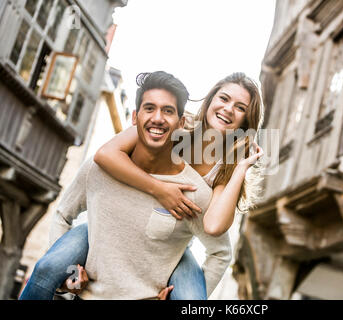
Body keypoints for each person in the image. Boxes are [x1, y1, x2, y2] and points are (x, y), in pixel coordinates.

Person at [20, 71, 264, 300]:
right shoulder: (176, 125)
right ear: (211, 99)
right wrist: (159, 189)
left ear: (246, 121)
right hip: (113, 224)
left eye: (240, 107)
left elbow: (213, 227)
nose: (228, 109)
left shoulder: (226, 167)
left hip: (170, 242)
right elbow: (105, 154)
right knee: (47, 267)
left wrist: (241, 168)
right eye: (224, 98)